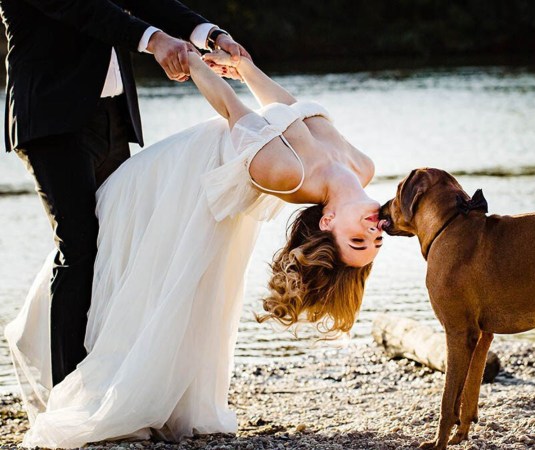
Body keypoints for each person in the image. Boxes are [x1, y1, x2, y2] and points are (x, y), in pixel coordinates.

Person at [5, 48, 383, 447]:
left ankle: (106, 384)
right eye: (373, 241)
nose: (372, 231)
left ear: (327, 222)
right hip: (182, 177)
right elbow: (291, 109)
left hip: (175, 181)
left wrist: (192, 61)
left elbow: (232, 110)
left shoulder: (288, 174)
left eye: (356, 240)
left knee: (138, 273)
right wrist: (246, 68)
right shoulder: (363, 166)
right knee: (109, 260)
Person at [0, 0, 250, 389]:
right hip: (51, 118)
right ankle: (71, 393)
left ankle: (115, 379)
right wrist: (154, 41)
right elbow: (83, 10)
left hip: (111, 117)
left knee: (122, 244)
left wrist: (211, 35)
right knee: (80, 250)